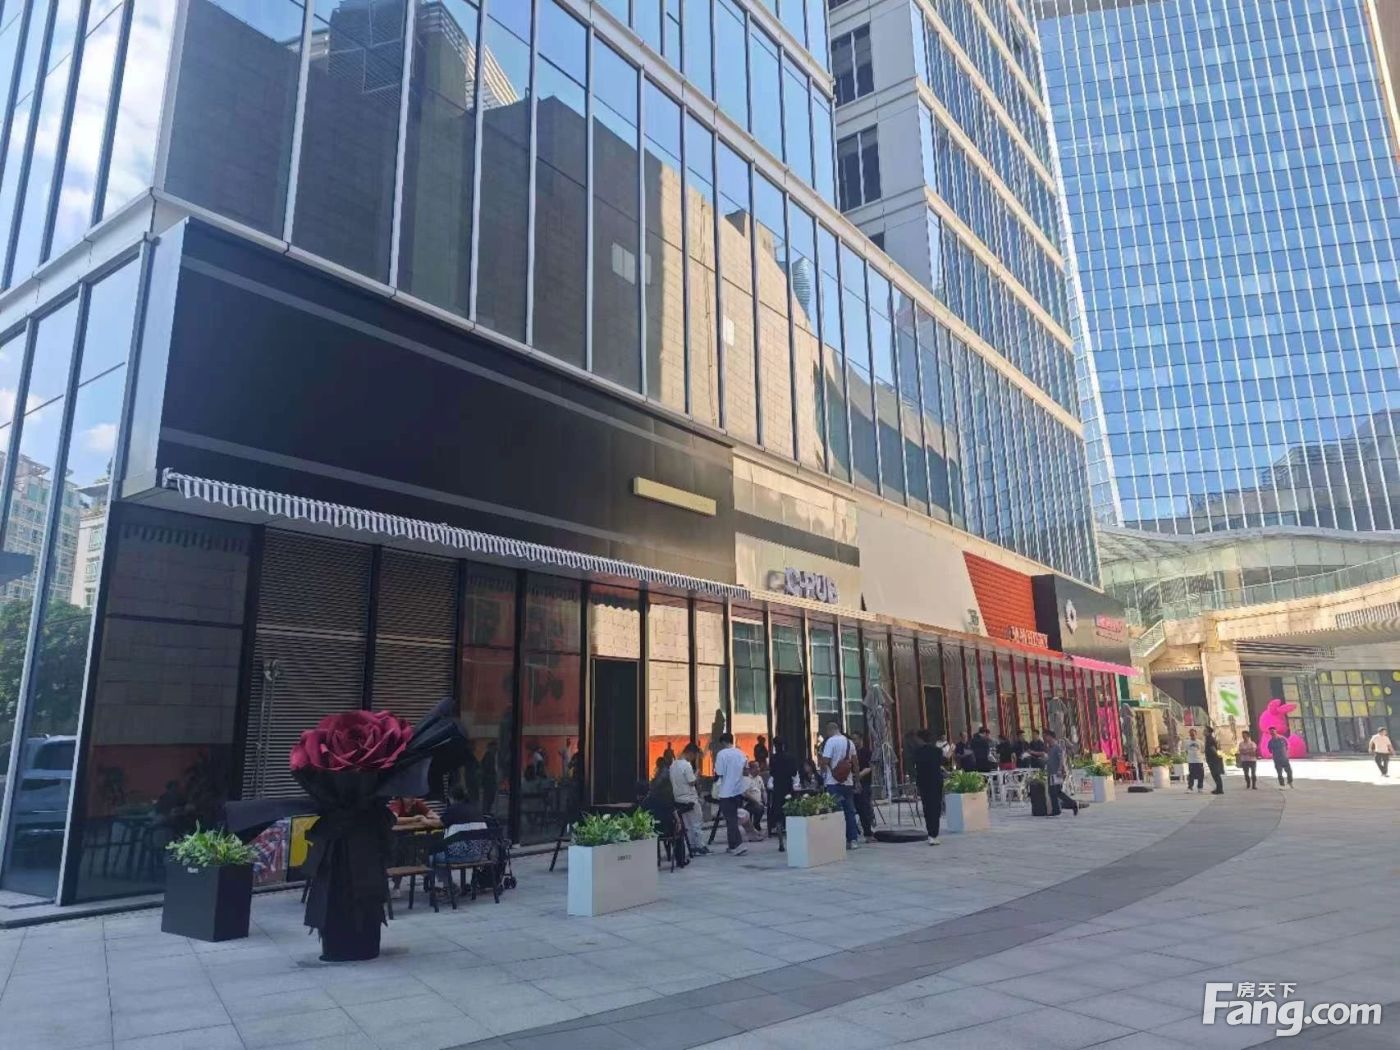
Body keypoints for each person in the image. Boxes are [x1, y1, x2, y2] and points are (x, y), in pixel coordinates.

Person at [819, 720, 861, 850]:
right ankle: (853, 840)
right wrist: (857, 781)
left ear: (830, 730)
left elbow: (825, 761)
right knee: (850, 811)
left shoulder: (830, 742)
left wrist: (823, 771)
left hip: (833, 782)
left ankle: (838, 839)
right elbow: (856, 763)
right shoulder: (849, 742)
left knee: (836, 811)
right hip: (848, 782)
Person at [712, 733, 750, 855]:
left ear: (723, 742)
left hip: (726, 791)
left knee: (731, 819)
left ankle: (738, 845)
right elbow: (746, 770)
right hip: (738, 790)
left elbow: (719, 772)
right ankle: (732, 845)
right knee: (732, 817)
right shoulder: (741, 753)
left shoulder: (722, 754)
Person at [669, 742, 707, 855]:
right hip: (690, 798)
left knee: (687, 825)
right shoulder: (686, 765)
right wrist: (697, 774)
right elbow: (691, 782)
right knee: (696, 823)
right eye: (695, 756)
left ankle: (691, 846)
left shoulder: (673, 765)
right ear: (691, 753)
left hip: (678, 798)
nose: (694, 759)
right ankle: (699, 846)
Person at [911, 729, 945, 845]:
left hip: (924, 782)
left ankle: (930, 832)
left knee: (927, 807)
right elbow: (941, 763)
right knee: (936, 807)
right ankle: (934, 834)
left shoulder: (917, 752)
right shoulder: (937, 751)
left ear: (920, 739)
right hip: (936, 782)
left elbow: (916, 768)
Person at [768, 738, 798, 839]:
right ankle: (790, 828)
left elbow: (772, 772)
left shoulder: (773, 758)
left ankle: (779, 829)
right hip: (788, 786)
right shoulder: (791, 757)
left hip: (777, 786)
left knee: (778, 810)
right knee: (789, 808)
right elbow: (794, 772)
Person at [1044, 730, 1078, 815]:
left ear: (1050, 736)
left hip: (1055, 773)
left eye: (1046, 736)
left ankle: (1071, 804)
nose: (1045, 738)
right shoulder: (1050, 747)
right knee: (1054, 792)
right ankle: (1058, 809)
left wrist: (1060, 769)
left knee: (1055, 791)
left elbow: (1061, 759)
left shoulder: (1057, 747)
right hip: (1051, 772)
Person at [853, 733, 877, 842]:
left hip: (865, 782)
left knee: (864, 808)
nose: (854, 741)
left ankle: (868, 832)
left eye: (855, 739)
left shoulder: (867, 752)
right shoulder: (851, 752)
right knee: (856, 808)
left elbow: (870, 767)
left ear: (861, 739)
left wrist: (859, 775)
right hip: (853, 782)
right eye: (852, 739)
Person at [740, 760, 767, 833]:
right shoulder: (746, 779)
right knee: (759, 808)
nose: (759, 769)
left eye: (758, 767)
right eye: (756, 767)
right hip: (749, 802)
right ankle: (754, 825)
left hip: (759, 802)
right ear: (751, 769)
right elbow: (746, 794)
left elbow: (763, 790)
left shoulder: (759, 778)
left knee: (762, 807)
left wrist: (765, 800)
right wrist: (757, 802)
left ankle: (756, 824)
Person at [1204, 727, 1225, 795]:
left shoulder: (1210, 739)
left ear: (1209, 732)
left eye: (1205, 731)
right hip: (1211, 758)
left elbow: (1213, 748)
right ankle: (1218, 788)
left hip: (1213, 759)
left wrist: (1216, 756)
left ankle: (1220, 789)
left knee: (1216, 774)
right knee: (1215, 774)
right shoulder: (1208, 738)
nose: (1204, 732)